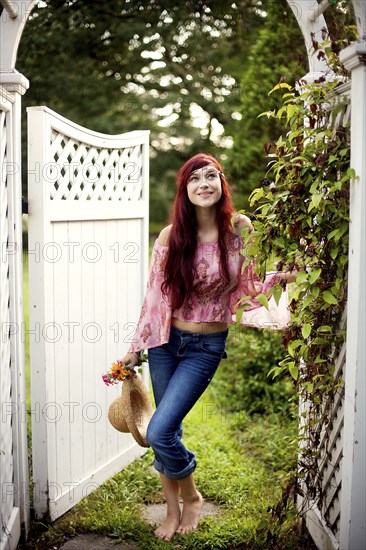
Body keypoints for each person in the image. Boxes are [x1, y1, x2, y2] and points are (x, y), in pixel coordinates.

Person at [120, 153, 296, 541]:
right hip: (167, 343)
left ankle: (193, 497)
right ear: (184, 189)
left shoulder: (239, 228)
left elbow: (248, 287)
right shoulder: (171, 236)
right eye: (195, 178)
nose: (204, 183)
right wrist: (135, 349)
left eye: (211, 176)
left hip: (207, 346)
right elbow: (154, 298)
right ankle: (172, 511)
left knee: (160, 430)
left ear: (221, 184)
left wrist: (279, 277)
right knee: (170, 430)